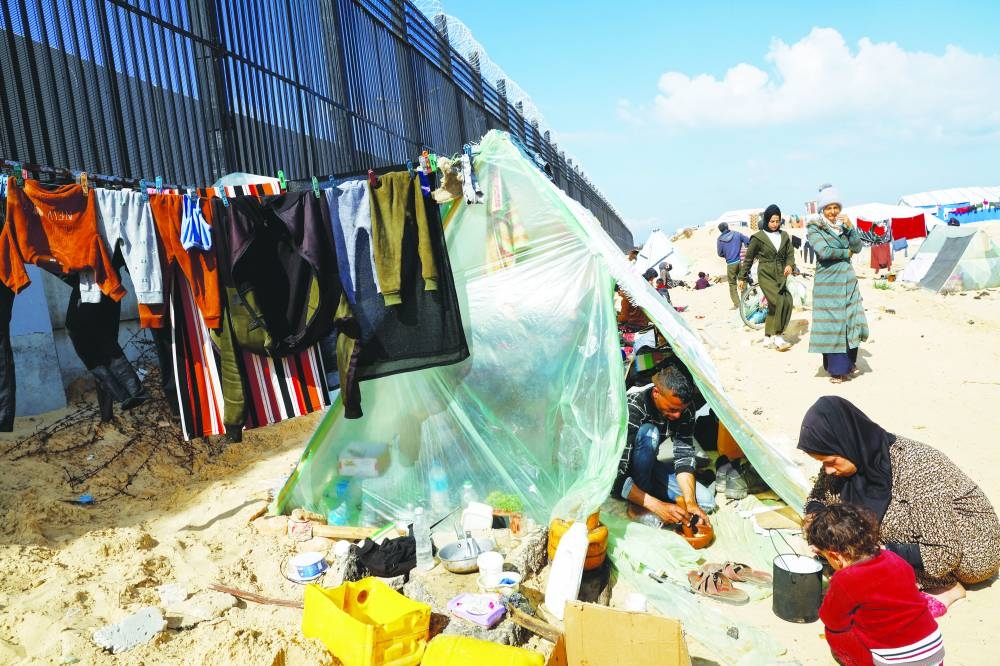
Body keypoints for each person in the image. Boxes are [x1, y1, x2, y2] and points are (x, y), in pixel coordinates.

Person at [798, 396, 1000, 610]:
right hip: (932, 544)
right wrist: (816, 522)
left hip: (970, 553)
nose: (827, 470)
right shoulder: (849, 454)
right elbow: (818, 496)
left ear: (848, 443)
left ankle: (946, 588)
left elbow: (944, 553)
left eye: (830, 462)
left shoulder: (919, 466)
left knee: (871, 525)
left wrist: (866, 552)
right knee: (836, 516)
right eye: (822, 463)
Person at [806, 503, 945, 666]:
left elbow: (832, 619)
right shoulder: (894, 559)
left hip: (897, 659)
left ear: (835, 557)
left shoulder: (845, 579)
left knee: (836, 632)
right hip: (933, 650)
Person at [612, 364, 715, 527]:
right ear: (656, 393)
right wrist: (658, 506)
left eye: (681, 410)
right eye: (673, 409)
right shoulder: (633, 407)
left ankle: (647, 490)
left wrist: (690, 502)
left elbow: (684, 456)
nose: (677, 415)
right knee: (649, 433)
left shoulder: (683, 410)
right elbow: (615, 473)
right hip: (621, 471)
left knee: (706, 503)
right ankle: (637, 505)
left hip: (648, 465)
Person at [806, 186, 868, 383]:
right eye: (828, 208)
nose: (833, 212)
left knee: (850, 320)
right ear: (822, 210)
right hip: (828, 286)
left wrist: (850, 228)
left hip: (848, 282)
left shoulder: (843, 226)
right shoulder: (814, 228)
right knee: (833, 325)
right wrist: (845, 253)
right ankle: (837, 370)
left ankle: (849, 364)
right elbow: (823, 251)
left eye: (836, 207)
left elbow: (857, 247)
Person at [738, 204, 795, 351]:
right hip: (766, 274)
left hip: (781, 274)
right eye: (772, 221)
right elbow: (749, 259)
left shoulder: (784, 236)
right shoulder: (758, 237)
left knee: (783, 302)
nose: (775, 224)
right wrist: (742, 277)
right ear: (766, 220)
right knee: (779, 302)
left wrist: (790, 265)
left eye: (778, 221)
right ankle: (778, 336)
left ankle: (767, 337)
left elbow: (790, 254)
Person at [716, 222, 750, 308]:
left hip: (730, 264)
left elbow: (720, 253)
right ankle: (745, 300)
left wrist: (727, 255)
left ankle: (737, 304)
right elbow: (748, 241)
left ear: (720, 230)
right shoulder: (737, 234)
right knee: (743, 280)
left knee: (732, 284)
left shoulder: (720, 239)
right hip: (741, 261)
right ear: (727, 227)